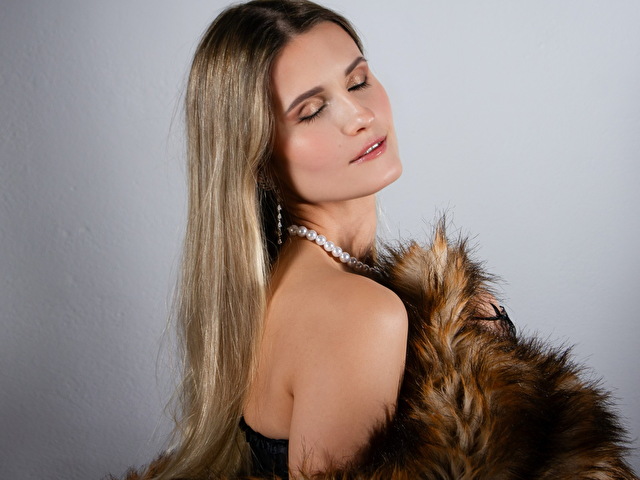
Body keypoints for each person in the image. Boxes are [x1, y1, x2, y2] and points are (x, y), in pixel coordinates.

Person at [116, 1, 637, 479]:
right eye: (311, 110)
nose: (359, 116)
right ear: (260, 161)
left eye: (358, 81)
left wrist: (459, 341)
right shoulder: (358, 314)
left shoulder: (300, 285)